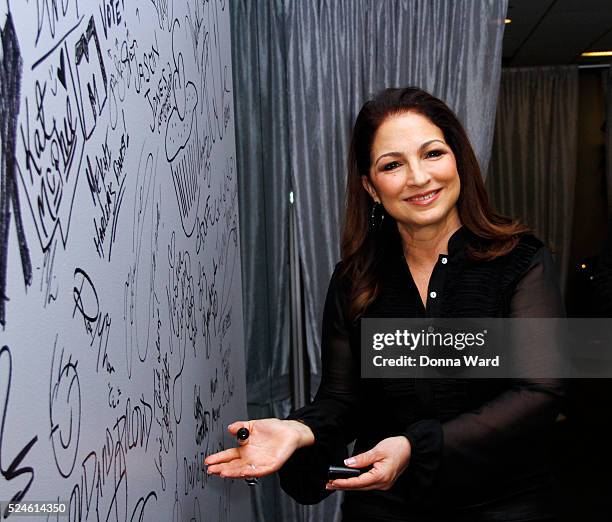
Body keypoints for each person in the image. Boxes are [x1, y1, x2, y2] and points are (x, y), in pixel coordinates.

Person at [205, 87, 565, 521]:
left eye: (432, 154)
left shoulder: (520, 259)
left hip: (507, 506)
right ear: (371, 187)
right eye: (392, 165)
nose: (418, 177)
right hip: (387, 511)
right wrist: (299, 430)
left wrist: (414, 447)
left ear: (458, 162)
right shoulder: (356, 280)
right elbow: (342, 400)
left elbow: (539, 392)